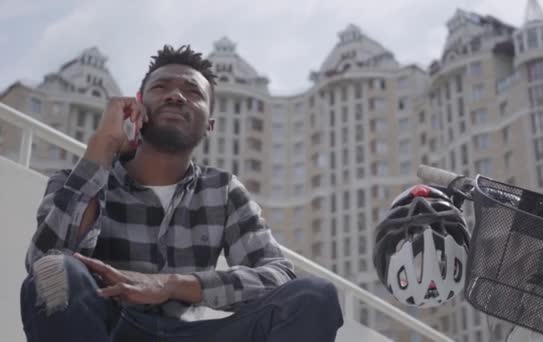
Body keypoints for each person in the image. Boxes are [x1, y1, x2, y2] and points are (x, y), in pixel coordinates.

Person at [20, 44, 343, 342]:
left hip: (190, 334)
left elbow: (278, 276)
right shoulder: (77, 178)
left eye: (193, 92)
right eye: (161, 87)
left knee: (313, 296)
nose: (176, 96)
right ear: (137, 105)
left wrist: (172, 285)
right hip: (106, 326)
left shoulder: (223, 190)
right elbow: (45, 267)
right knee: (57, 270)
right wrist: (102, 145)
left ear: (210, 125)